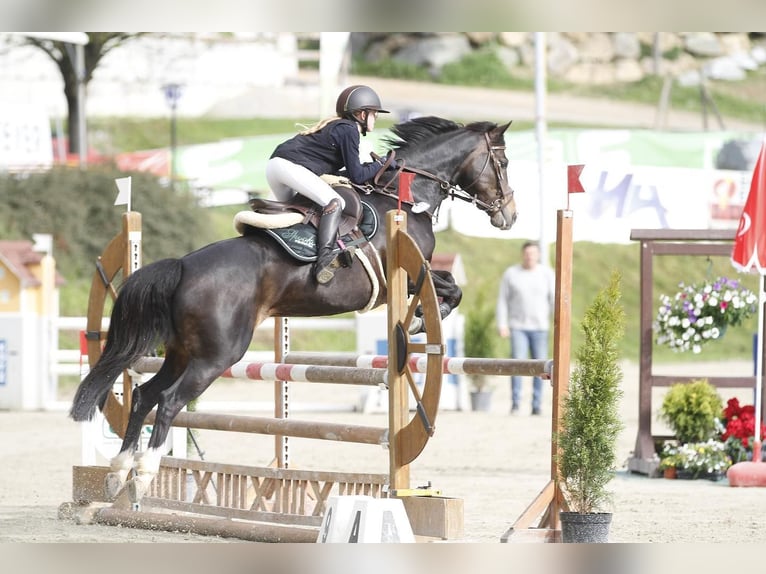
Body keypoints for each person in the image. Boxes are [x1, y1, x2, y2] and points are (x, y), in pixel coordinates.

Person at [266, 85, 392, 284]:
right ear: (361, 113)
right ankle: (324, 259)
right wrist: (382, 164)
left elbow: (346, 173)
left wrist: (373, 166)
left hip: (276, 167)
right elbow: (357, 176)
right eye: (374, 114)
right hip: (289, 167)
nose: (375, 118)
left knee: (299, 216)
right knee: (335, 202)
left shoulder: (339, 127)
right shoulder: (350, 130)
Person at [495, 241, 555, 415]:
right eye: (527, 253)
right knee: (517, 364)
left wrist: (555, 322)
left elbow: (553, 300)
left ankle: (536, 405)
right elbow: (502, 301)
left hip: (540, 327)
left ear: (538, 255)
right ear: (523, 255)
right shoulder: (511, 274)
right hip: (518, 327)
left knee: (541, 366)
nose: (530, 257)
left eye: (533, 254)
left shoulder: (546, 274)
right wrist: (502, 324)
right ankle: (515, 403)